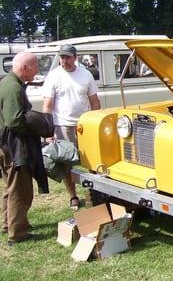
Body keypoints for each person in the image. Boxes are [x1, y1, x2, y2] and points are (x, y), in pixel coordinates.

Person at [0, 51, 52, 245]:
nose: (37, 70)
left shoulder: (7, 82)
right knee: (20, 190)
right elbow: (14, 121)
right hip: (14, 145)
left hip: (5, 144)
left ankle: (9, 224)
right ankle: (17, 233)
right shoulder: (13, 87)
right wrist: (34, 128)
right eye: (35, 66)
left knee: (11, 187)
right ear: (24, 68)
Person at [42, 44, 101, 210]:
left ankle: (94, 194)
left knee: (93, 161)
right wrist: (48, 131)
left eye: (67, 57)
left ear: (75, 57)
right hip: (62, 126)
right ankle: (73, 196)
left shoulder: (86, 74)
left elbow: (94, 101)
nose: (64, 60)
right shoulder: (54, 76)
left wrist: (97, 124)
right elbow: (47, 105)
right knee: (66, 163)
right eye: (62, 57)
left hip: (85, 125)